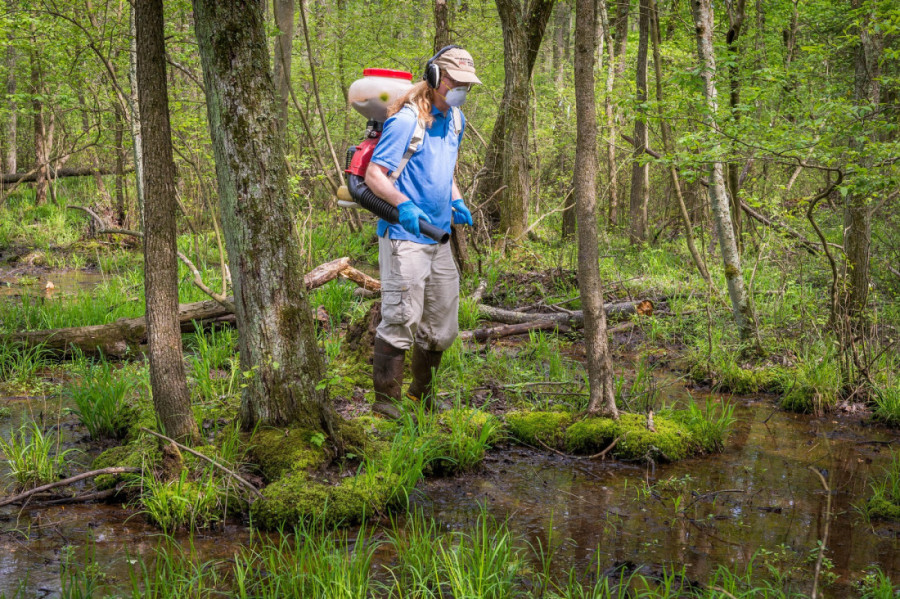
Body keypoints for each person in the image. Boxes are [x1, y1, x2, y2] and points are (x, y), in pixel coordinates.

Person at [364, 45, 481, 419]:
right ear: (434, 77)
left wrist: (457, 200)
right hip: (405, 236)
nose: (461, 89)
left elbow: (446, 170)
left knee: (442, 325)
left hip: (439, 237)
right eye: (455, 82)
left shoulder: (457, 120)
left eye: (466, 84)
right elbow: (374, 175)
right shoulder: (407, 120)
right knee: (400, 319)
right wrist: (404, 205)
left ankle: (421, 396)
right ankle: (386, 403)